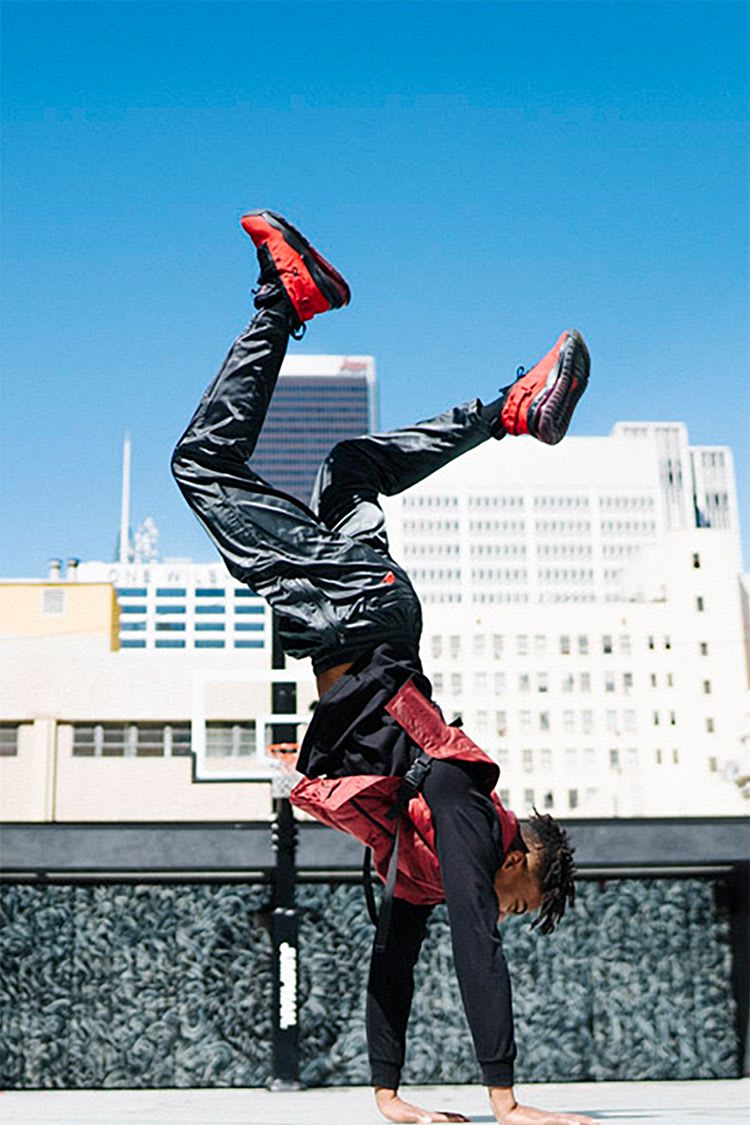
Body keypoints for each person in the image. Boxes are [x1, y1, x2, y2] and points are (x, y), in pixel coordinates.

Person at [171, 210, 594, 1125]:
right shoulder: (466, 812)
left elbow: (396, 959)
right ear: (519, 856)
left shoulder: (430, 847)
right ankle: (284, 301)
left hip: (365, 614)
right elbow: (477, 947)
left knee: (348, 468)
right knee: (201, 464)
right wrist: (506, 1104)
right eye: (521, 897)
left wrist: (389, 1097)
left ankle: (508, 410)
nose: (502, 907)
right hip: (354, 615)